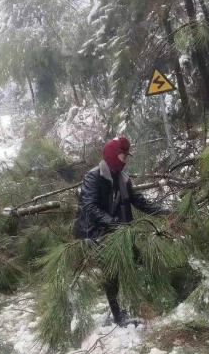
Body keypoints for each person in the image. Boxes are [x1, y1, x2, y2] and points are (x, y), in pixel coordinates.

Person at [73, 136, 170, 326]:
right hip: (94, 232)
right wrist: (113, 223)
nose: (126, 159)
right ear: (113, 156)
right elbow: (89, 207)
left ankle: (152, 295)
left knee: (140, 257)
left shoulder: (122, 177)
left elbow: (138, 200)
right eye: (123, 155)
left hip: (116, 229)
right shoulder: (93, 177)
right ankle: (118, 315)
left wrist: (163, 212)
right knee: (112, 270)